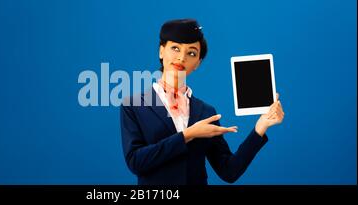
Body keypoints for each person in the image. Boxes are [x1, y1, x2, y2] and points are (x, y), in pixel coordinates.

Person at [120, 19, 284, 185]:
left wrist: (260, 127)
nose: (182, 57)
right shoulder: (134, 105)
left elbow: (229, 171)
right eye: (175, 48)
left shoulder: (206, 112)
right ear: (161, 52)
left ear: (197, 63)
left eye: (191, 53)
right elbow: (135, 161)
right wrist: (189, 134)